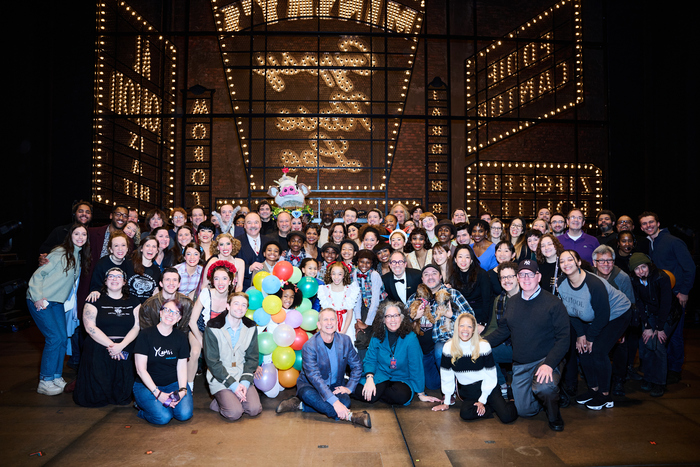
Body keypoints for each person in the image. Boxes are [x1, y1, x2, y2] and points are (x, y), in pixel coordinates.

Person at [485, 259, 570, 432]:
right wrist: (479, 344)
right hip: (521, 363)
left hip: (544, 360)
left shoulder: (553, 303)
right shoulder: (513, 302)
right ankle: (541, 399)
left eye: (530, 274)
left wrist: (549, 364)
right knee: (524, 411)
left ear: (538, 276)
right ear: (518, 278)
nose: (526, 278)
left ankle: (554, 414)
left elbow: (564, 338)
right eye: (522, 274)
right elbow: (503, 331)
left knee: (545, 387)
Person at [556, 250, 632, 410]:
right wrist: (581, 335)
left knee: (597, 350)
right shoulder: (562, 282)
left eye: (570, 260)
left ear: (578, 262)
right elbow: (571, 311)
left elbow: (603, 316)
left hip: (618, 313)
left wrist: (590, 337)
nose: (566, 264)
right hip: (590, 316)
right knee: (582, 350)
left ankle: (605, 395)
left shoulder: (594, 285)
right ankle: (593, 389)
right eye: (562, 261)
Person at [276, 308, 370, 427]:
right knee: (308, 395)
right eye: (325, 320)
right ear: (319, 325)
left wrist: (349, 388)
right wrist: (335, 402)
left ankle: (302, 405)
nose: (329, 323)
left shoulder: (345, 341)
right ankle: (351, 416)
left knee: (346, 401)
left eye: (332, 319)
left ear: (337, 323)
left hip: (335, 385)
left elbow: (357, 366)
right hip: (311, 386)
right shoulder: (309, 346)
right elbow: (315, 378)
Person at [27, 224, 91, 395]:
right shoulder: (60, 252)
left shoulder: (78, 256)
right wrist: (37, 296)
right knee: (54, 338)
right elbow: (38, 275)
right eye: (76, 233)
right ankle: (45, 380)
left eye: (83, 234)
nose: (80, 237)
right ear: (70, 236)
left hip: (57, 303)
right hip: (42, 299)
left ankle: (55, 376)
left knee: (63, 338)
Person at [432, 313, 518, 424]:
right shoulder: (448, 347)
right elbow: (446, 376)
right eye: (462, 325)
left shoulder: (483, 346)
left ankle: (511, 400)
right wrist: (446, 402)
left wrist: (482, 400)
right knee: (465, 414)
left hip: (488, 388)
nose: (465, 329)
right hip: (469, 392)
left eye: (469, 326)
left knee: (507, 417)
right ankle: (492, 407)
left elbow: (490, 376)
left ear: (474, 330)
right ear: (456, 327)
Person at [640, 211, 695, 383]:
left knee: (675, 335)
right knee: (661, 334)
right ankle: (661, 368)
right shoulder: (650, 244)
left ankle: (674, 369)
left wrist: (684, 291)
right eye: (644, 224)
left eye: (651, 222)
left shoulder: (673, 242)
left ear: (658, 223)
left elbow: (690, 268)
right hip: (657, 297)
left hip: (676, 295)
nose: (648, 226)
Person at [73, 267, 140, 407]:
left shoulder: (134, 301)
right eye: (111, 276)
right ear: (105, 281)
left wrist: (120, 346)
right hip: (100, 343)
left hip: (125, 344)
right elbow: (90, 328)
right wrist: (112, 346)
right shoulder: (94, 300)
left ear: (124, 282)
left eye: (118, 277)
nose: (114, 279)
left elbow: (137, 327)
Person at [408, 264, 474, 393]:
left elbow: (471, 318)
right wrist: (412, 318)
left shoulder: (452, 294)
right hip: (424, 350)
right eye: (426, 274)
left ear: (441, 277)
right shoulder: (414, 298)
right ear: (422, 279)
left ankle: (451, 390)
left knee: (440, 349)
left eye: (434, 273)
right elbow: (401, 323)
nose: (430, 276)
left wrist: (452, 315)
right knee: (432, 385)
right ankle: (451, 378)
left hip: (445, 342)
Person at [353, 301, 425, 406]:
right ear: (383, 319)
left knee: (401, 396)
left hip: (401, 379)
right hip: (380, 375)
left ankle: (376, 393)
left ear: (402, 317)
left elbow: (416, 366)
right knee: (363, 391)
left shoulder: (411, 338)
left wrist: (421, 393)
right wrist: (369, 378)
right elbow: (370, 360)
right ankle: (373, 392)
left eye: (396, 315)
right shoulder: (376, 336)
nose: (392, 320)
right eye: (388, 316)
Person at [133, 299, 193, 425]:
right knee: (163, 418)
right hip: (147, 386)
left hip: (173, 384)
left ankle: (160, 406)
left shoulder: (181, 337)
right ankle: (141, 410)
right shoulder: (145, 335)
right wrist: (158, 393)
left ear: (179, 318)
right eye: (167, 310)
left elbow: (181, 367)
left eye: (175, 313)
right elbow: (140, 369)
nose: (170, 314)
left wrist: (182, 390)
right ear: (160, 313)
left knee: (184, 414)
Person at [204, 292, 262, 421]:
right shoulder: (213, 327)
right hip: (220, 376)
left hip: (241, 373)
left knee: (254, 410)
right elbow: (212, 362)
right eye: (236, 304)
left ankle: (228, 398)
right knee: (235, 413)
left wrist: (244, 382)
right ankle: (221, 400)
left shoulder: (251, 327)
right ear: (228, 306)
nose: (240, 308)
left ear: (247, 309)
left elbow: (252, 357)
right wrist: (233, 385)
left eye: (244, 305)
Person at [629, 253, 677, 397]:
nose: (641, 271)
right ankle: (648, 378)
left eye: (643, 267)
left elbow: (666, 304)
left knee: (658, 345)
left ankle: (659, 382)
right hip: (649, 314)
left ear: (649, 266)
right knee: (647, 343)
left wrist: (659, 328)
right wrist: (647, 326)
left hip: (668, 315)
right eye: (637, 269)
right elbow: (638, 303)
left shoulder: (661, 277)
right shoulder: (634, 280)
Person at [591, 244, 637, 396]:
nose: (605, 264)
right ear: (594, 263)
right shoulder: (589, 276)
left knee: (621, 346)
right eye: (601, 261)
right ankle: (595, 380)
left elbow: (630, 304)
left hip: (617, 320)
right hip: (596, 320)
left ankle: (618, 380)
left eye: (609, 260)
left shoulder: (622, 277)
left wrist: (622, 331)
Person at [188, 261, 236, 392]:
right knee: (195, 352)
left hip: (220, 334)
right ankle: (188, 386)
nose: (220, 282)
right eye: (216, 278)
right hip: (200, 330)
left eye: (224, 278)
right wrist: (203, 341)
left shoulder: (233, 298)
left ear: (231, 281)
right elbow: (192, 321)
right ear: (212, 281)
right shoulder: (206, 293)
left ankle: (225, 386)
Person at [482, 262, 519, 396]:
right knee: (484, 351)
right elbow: (493, 326)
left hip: (526, 349)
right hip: (507, 346)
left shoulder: (526, 297)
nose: (507, 280)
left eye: (510, 276)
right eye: (503, 277)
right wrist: (481, 342)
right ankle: (501, 385)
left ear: (518, 277)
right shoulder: (499, 300)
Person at [353, 250, 386, 361]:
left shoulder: (374, 275)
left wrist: (366, 323)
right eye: (362, 262)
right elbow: (357, 297)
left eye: (368, 263)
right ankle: (362, 367)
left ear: (372, 264)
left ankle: (376, 366)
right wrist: (358, 319)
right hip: (365, 305)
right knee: (361, 338)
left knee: (375, 336)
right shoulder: (355, 273)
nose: (364, 265)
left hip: (379, 307)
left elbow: (376, 301)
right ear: (357, 262)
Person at [450, 244, 492, 332]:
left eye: (467, 257)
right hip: (461, 315)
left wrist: (483, 323)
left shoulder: (482, 274)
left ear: (471, 260)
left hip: (480, 315)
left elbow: (487, 300)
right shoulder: (453, 277)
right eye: (460, 257)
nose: (463, 260)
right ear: (455, 259)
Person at [139, 268, 194, 334]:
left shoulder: (188, 304)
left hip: (179, 341)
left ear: (179, 284)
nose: (171, 283)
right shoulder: (148, 305)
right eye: (167, 279)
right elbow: (146, 333)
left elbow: (186, 330)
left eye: (175, 280)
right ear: (161, 284)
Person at [318, 261, 361, 345]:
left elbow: (350, 312)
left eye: (340, 274)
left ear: (344, 274)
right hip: (330, 323)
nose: (336, 277)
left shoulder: (350, 290)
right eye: (333, 274)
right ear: (330, 274)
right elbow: (324, 312)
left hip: (346, 323)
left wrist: (344, 330)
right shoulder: (324, 290)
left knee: (346, 347)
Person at [235, 212, 270, 289]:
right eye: (249, 223)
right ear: (244, 225)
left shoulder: (269, 241)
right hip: (244, 288)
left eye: (256, 222)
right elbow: (232, 264)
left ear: (260, 224)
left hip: (267, 287)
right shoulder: (236, 242)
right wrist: (249, 268)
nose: (253, 226)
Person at [127, 236, 161, 303]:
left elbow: (155, 294)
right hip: (128, 305)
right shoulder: (129, 264)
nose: (150, 249)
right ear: (141, 248)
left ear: (157, 251)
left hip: (145, 308)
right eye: (147, 245)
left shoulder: (157, 270)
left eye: (154, 246)